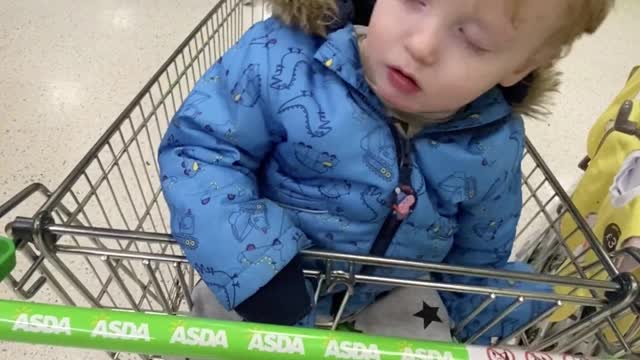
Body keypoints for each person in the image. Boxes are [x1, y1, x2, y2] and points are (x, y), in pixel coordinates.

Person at [159, 0, 614, 343]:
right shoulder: (280, 60)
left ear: (518, 67)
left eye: (473, 40)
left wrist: (504, 312)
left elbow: (478, 255)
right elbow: (202, 152)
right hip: (255, 275)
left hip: (392, 294)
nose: (422, 45)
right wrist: (258, 268)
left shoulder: (494, 142)